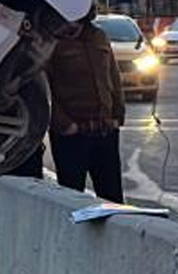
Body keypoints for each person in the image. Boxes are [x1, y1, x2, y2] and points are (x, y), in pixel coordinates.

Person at [45, 12, 127, 203]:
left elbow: (113, 75)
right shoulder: (50, 42)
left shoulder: (98, 36)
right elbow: (44, 88)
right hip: (71, 135)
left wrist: (117, 114)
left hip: (105, 130)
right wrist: (64, 124)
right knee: (72, 199)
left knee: (113, 198)